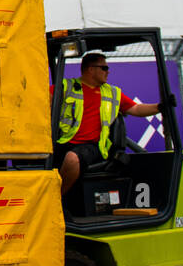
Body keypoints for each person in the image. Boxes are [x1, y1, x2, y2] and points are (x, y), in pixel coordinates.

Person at [52, 53, 172, 195]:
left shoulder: (112, 93)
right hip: (64, 141)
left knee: (72, 159)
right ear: (91, 69)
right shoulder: (67, 87)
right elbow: (42, 100)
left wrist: (160, 107)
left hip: (93, 146)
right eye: (104, 68)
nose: (108, 71)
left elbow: (136, 109)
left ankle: (57, 200)